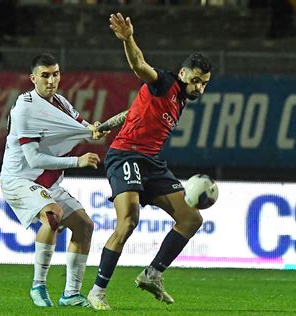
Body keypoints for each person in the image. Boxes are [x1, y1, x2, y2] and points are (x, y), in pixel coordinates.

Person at [87, 13, 212, 310]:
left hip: (152, 163)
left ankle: (153, 274)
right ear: (183, 74)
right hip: (126, 154)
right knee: (128, 220)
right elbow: (139, 65)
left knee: (191, 219)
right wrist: (128, 38)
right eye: (195, 80)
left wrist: (103, 125)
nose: (199, 88)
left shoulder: (179, 100)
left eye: (204, 84)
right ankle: (97, 291)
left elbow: (131, 114)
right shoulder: (164, 83)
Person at [0, 53, 107, 308]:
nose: (51, 80)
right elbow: (34, 159)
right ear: (33, 78)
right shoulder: (25, 108)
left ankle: (70, 294)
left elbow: (83, 127)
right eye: (45, 75)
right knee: (52, 215)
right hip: (18, 180)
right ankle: (38, 285)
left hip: (48, 184)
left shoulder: (61, 102)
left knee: (84, 226)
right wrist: (77, 161)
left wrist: (95, 128)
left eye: (55, 74)